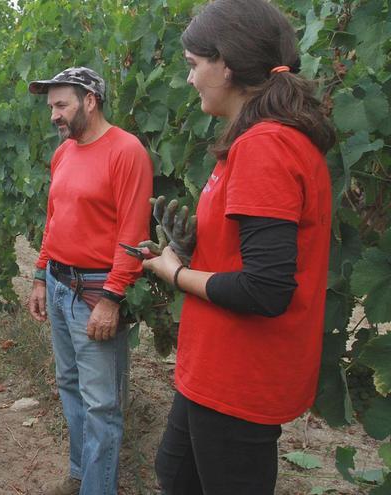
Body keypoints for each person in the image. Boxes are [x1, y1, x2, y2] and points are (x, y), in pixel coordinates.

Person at [140, 0, 336, 493]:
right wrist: (194, 250)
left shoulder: (263, 147)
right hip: (214, 369)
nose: (190, 80)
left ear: (225, 64)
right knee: (174, 474)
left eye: (193, 65)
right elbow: (251, 254)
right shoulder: (263, 140)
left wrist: (174, 272)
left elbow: (265, 289)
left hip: (238, 376)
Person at [26, 67, 153, 494]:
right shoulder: (64, 153)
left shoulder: (126, 151)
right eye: (51, 107)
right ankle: (82, 474)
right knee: (69, 384)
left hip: (96, 291)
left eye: (61, 105)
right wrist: (40, 275)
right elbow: (54, 220)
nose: (54, 115)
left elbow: (133, 235)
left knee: (102, 403)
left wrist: (111, 298)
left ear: (91, 101)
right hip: (59, 284)